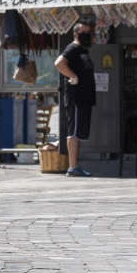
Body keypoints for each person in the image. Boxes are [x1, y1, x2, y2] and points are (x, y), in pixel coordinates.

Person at [54, 23, 96, 177]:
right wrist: (73, 76)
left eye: (88, 31)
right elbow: (59, 63)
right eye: (83, 32)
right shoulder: (72, 48)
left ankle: (75, 165)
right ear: (76, 34)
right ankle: (72, 167)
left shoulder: (83, 50)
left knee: (79, 132)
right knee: (73, 132)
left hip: (84, 97)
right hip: (76, 97)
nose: (87, 34)